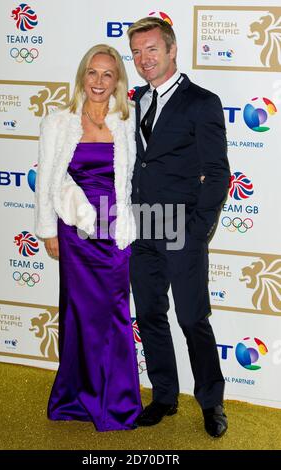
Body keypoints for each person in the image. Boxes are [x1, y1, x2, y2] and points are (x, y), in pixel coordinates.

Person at [128, 17, 230, 437]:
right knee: (150, 316)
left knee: (192, 319)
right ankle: (164, 396)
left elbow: (217, 172)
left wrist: (196, 229)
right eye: (136, 52)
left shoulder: (202, 102)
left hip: (180, 227)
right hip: (140, 225)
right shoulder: (131, 101)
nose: (144, 59)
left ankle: (211, 402)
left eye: (152, 49)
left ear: (171, 50)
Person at [34, 44, 142, 432]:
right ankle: (75, 399)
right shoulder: (59, 122)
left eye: (107, 74)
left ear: (117, 82)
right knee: (78, 314)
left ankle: (117, 402)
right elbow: (47, 180)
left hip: (113, 229)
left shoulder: (124, 121)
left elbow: (129, 181)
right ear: (82, 76)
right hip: (76, 231)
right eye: (93, 73)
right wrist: (48, 230)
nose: (99, 81)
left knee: (113, 313)